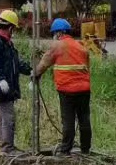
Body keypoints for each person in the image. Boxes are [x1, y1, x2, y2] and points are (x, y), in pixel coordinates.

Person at [34, 17, 92, 155]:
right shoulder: (81, 46)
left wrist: (35, 75)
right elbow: (87, 67)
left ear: (59, 33)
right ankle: (85, 149)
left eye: (54, 34)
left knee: (68, 121)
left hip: (67, 90)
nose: (54, 37)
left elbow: (43, 64)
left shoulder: (57, 46)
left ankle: (65, 150)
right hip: (84, 89)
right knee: (84, 119)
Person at [0, 9, 32, 153]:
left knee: (6, 117)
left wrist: (30, 70)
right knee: (8, 117)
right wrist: (1, 79)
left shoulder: (6, 42)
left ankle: (7, 147)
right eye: (14, 29)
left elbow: (15, 63)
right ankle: (8, 150)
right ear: (10, 27)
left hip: (6, 85)